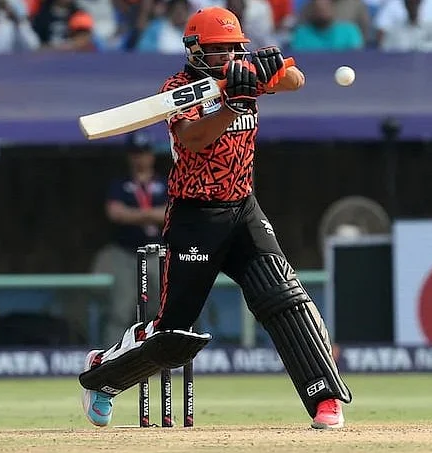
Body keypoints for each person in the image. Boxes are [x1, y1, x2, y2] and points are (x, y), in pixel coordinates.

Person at [78, 6, 352, 430]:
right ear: (195, 50)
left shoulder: (243, 70)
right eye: (218, 50)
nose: (227, 57)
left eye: (233, 49)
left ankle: (326, 398)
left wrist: (268, 70)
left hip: (243, 208)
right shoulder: (177, 88)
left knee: (283, 297)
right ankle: (101, 373)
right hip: (195, 217)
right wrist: (232, 103)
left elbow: (296, 81)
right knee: (173, 334)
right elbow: (194, 138)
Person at [102, 131, 167, 345]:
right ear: (129, 156)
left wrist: (135, 214)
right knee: (121, 309)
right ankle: (113, 358)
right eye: (135, 153)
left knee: (160, 309)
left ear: (152, 155)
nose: (140, 158)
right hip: (127, 255)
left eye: (144, 152)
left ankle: (160, 355)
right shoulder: (120, 185)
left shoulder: (164, 183)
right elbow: (115, 213)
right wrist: (150, 214)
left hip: (156, 255)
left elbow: (173, 213)